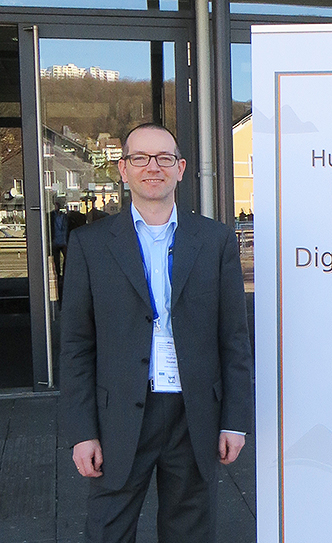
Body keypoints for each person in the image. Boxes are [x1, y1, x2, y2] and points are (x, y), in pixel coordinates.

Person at [59, 122, 253, 542]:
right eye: (140, 158)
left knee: (190, 531)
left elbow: (233, 337)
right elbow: (76, 345)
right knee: (108, 530)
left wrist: (235, 420)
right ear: (123, 169)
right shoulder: (90, 245)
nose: (153, 167)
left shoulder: (215, 240)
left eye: (164, 158)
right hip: (119, 415)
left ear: (181, 168)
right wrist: (82, 431)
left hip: (195, 412)